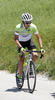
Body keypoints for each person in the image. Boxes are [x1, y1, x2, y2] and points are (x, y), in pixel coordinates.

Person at [14, 13, 45, 85]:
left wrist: (41, 48)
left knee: (35, 55)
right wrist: (21, 48)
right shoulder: (18, 27)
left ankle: (31, 67)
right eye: (27, 22)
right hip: (20, 43)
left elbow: (38, 37)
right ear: (23, 22)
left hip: (29, 42)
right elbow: (15, 39)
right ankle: (20, 77)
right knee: (21, 60)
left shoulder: (33, 27)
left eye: (30, 22)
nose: (29, 24)